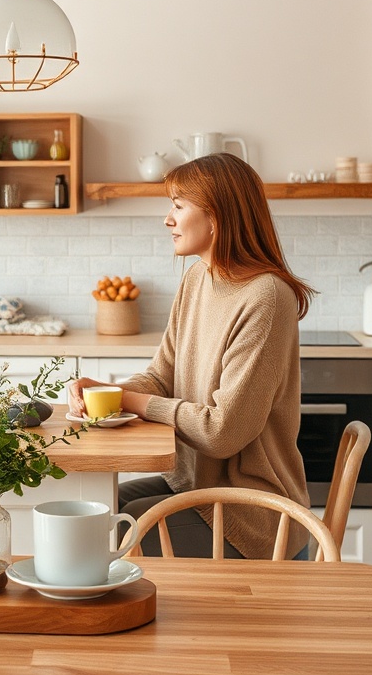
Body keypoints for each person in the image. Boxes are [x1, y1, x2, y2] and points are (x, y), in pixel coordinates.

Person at [69, 152, 316, 560]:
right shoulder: (197, 278)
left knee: (112, 530)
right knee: (94, 512)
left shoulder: (266, 297)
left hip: (253, 511)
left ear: (216, 218)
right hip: (193, 481)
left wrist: (131, 401)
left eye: (178, 206)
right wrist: (110, 392)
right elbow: (161, 376)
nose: (167, 219)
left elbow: (223, 432)